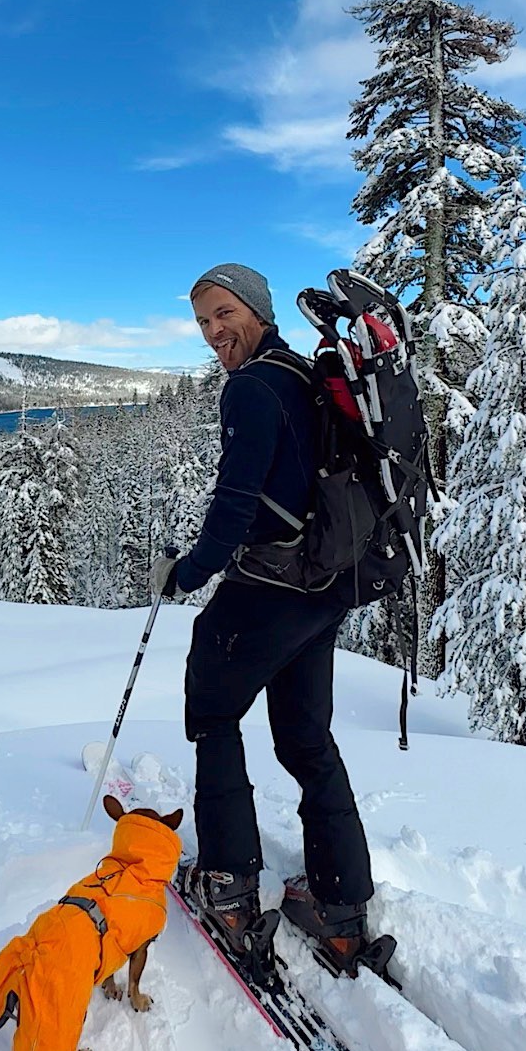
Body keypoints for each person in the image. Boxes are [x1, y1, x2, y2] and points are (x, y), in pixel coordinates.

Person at [150, 263, 375, 975]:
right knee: (306, 740)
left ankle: (229, 889)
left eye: (224, 314)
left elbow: (233, 508)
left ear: (257, 308)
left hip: (275, 586)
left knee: (213, 713)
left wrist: (184, 572)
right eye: (204, 323)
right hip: (326, 584)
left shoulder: (252, 387)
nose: (216, 332)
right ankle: (341, 911)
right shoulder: (305, 374)